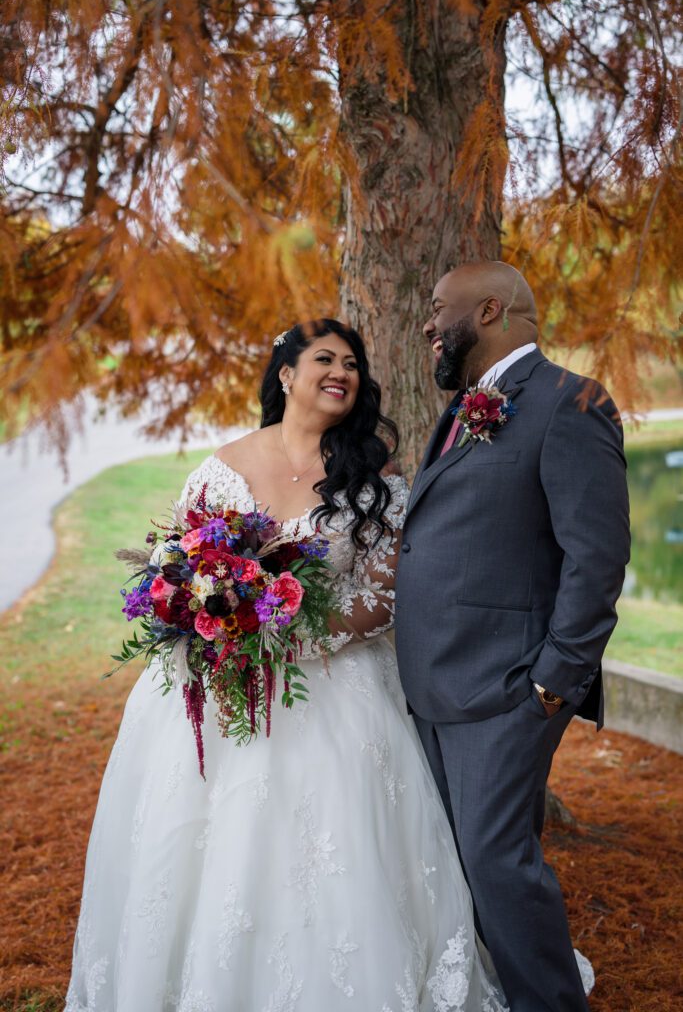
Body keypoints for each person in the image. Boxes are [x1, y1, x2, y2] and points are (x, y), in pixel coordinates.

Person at [65, 319, 512, 1011]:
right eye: (325, 359)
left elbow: (387, 592)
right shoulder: (224, 465)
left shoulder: (374, 474)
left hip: (331, 684)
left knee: (327, 851)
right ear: (285, 374)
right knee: (199, 845)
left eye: (352, 363)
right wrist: (214, 622)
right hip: (216, 685)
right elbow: (178, 568)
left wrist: (297, 642)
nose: (342, 372)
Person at [395, 262, 630, 1012]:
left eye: (438, 308)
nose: (428, 324)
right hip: (435, 685)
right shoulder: (467, 405)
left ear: (489, 307)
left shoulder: (572, 403)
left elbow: (595, 556)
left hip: (505, 689)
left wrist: (551, 681)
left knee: (498, 865)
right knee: (466, 864)